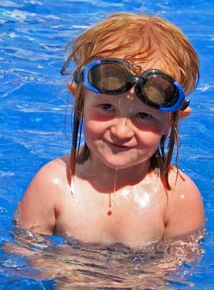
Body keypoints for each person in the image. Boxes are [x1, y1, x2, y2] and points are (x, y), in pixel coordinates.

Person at [15, 13, 205, 248]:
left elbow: (179, 273)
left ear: (172, 122)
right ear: (79, 101)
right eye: (106, 107)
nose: (121, 131)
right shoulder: (53, 185)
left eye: (143, 115)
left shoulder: (177, 196)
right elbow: (23, 258)